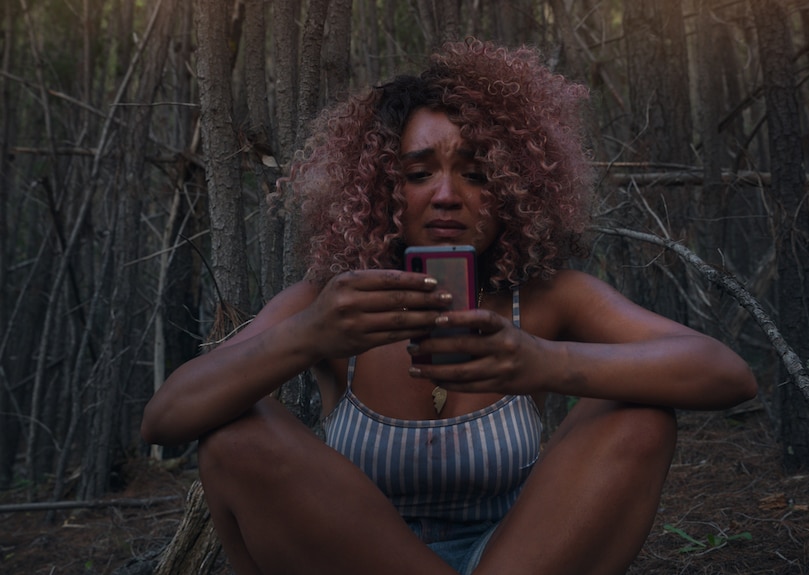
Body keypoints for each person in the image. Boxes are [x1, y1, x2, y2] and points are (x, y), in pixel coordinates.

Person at [141, 38, 757, 575]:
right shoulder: (334, 303)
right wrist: (309, 335)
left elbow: (725, 372)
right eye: (417, 173)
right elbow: (166, 418)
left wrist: (541, 362)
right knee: (232, 440)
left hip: (515, 558)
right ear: (382, 190)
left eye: (475, 172)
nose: (446, 196)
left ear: (515, 188)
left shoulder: (546, 298)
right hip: (353, 562)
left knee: (639, 415)